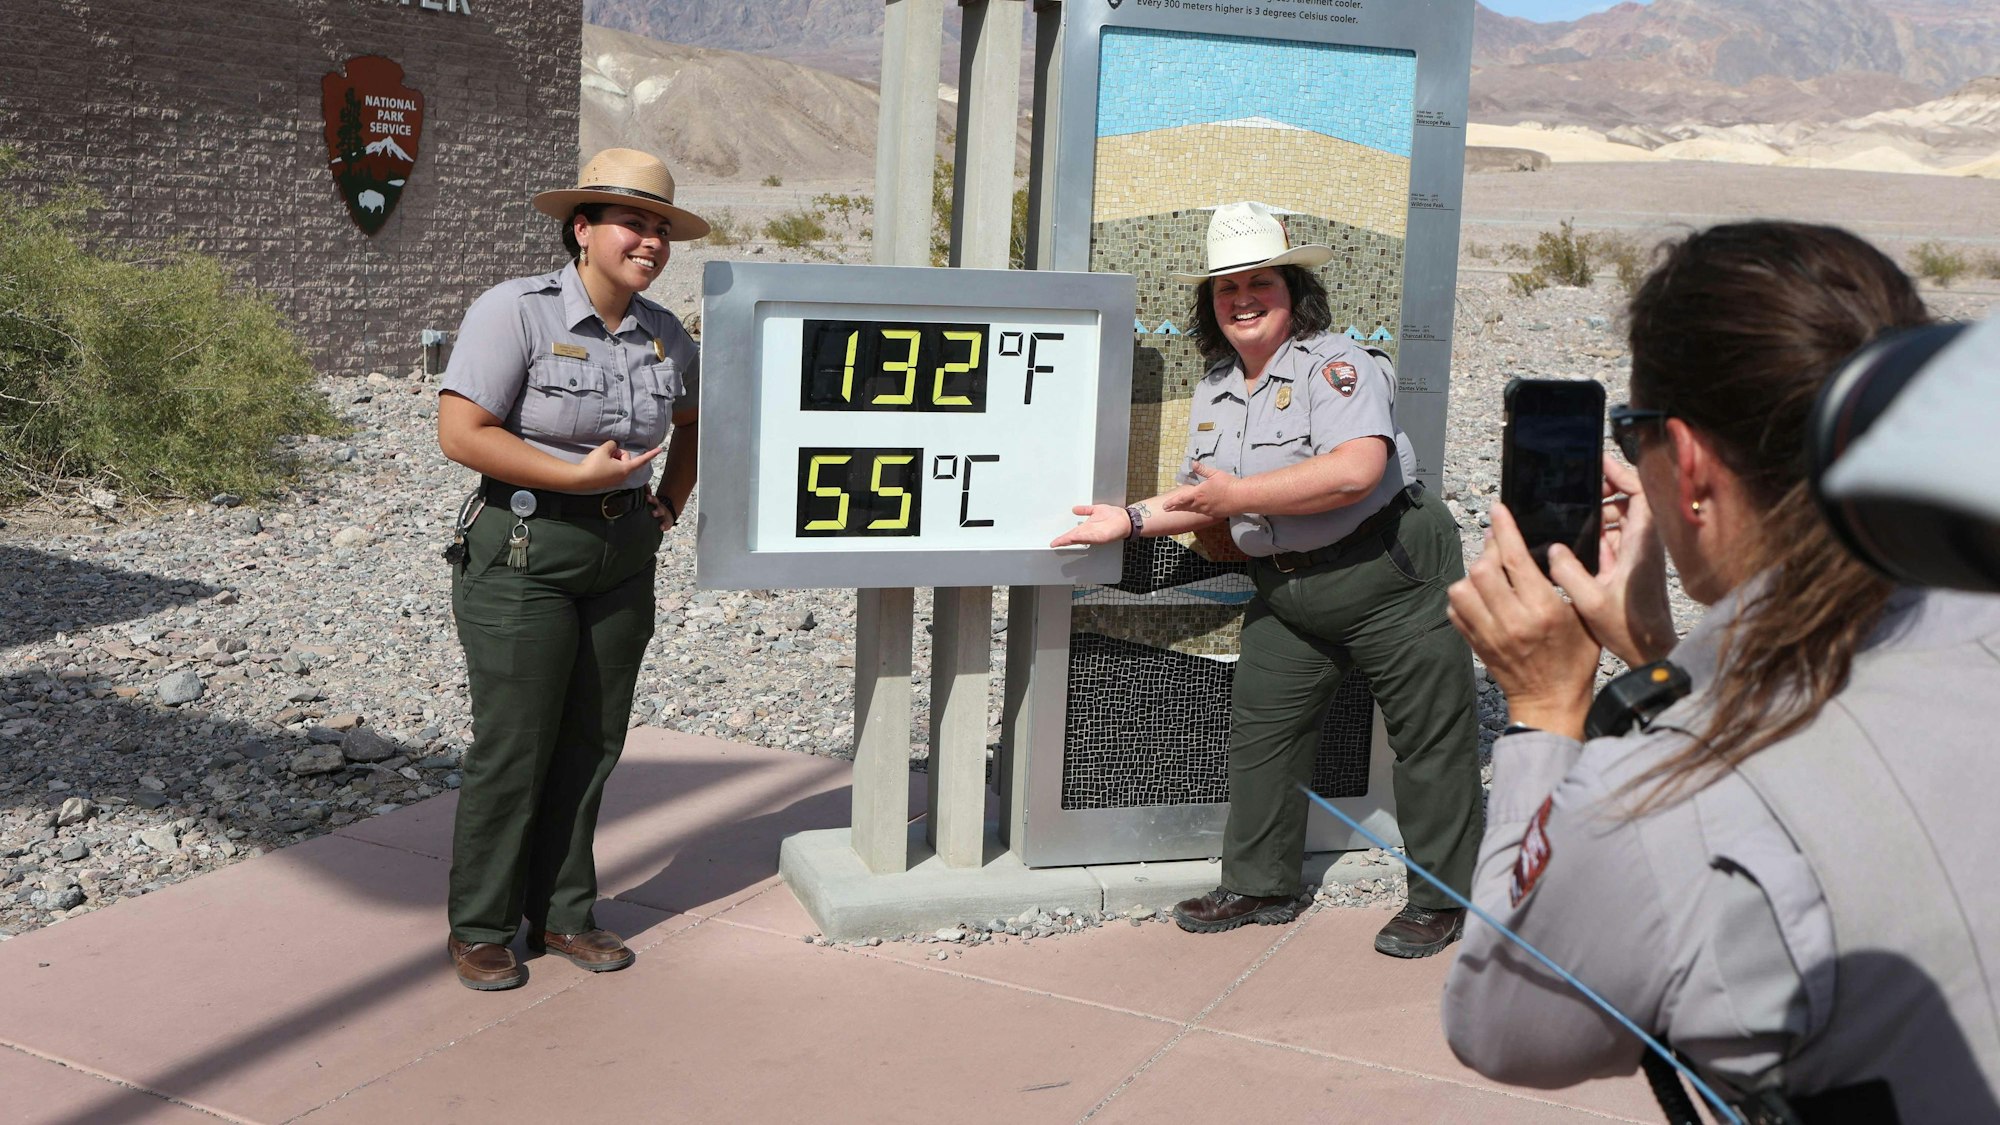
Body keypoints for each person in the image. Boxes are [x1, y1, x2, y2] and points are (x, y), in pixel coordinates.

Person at [1443, 221, 2000, 1120]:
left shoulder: (1655, 796)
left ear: (1690, 463)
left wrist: (1547, 709)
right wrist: (1663, 659)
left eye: (1636, 434)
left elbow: (1508, 1027)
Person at [1053, 202, 1483, 957]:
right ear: (1210, 304)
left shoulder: (1339, 365)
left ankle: (1443, 899)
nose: (1243, 299)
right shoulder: (1218, 388)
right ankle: (1260, 882)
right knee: (1263, 732)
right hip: (1289, 588)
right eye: (1227, 289)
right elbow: (1199, 493)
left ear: (1293, 290)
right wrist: (1125, 521)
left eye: (1260, 283)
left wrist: (1238, 500)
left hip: (1391, 573)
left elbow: (1357, 471)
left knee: (1431, 741)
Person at [435, 148, 706, 991]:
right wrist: (575, 477)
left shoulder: (665, 332)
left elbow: (693, 421)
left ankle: (562, 913)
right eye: (634, 223)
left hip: (623, 552)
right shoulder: (513, 312)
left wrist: (669, 502)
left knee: (592, 742)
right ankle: (480, 924)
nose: (650, 241)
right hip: (524, 550)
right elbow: (462, 432)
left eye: (661, 227)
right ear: (582, 230)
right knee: (516, 743)